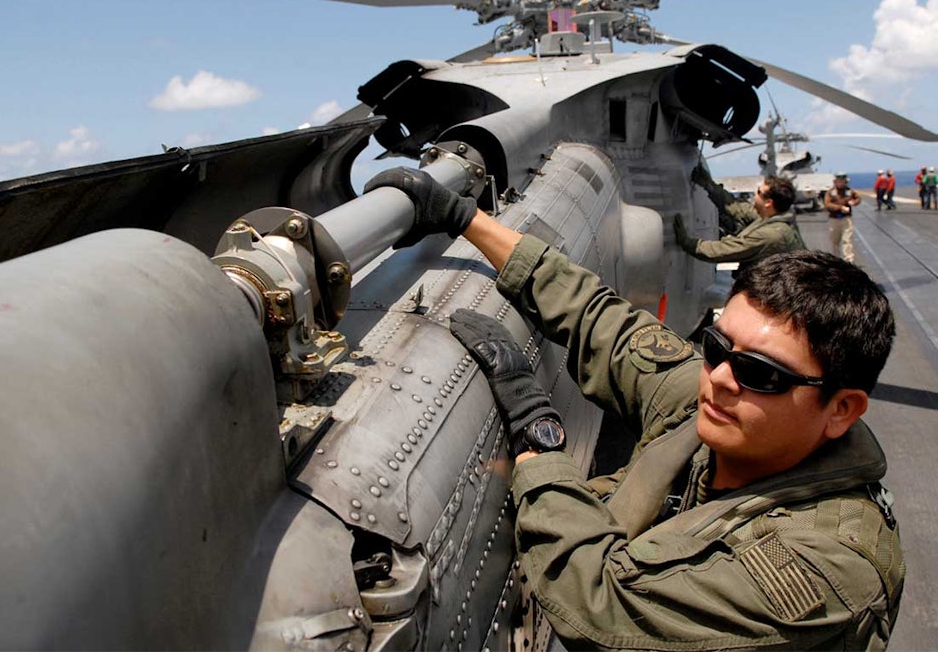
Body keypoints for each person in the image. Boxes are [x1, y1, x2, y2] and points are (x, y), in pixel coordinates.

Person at [364, 165, 903, 650]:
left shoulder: (822, 566)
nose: (719, 380)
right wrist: (464, 218)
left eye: (761, 373)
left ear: (842, 408)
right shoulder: (719, 404)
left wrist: (540, 439)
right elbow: (600, 319)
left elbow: (600, 605)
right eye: (716, 347)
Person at [674, 173, 805, 268]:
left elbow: (723, 250)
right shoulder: (773, 218)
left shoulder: (771, 235)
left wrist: (688, 243)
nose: (755, 193)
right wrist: (710, 186)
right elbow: (738, 208)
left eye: (759, 192)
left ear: (768, 203)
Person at [824, 172, 861, 263]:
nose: (841, 183)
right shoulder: (831, 193)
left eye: (842, 181)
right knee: (835, 240)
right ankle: (836, 260)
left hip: (846, 218)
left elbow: (858, 198)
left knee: (847, 240)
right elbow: (827, 204)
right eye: (839, 181)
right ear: (835, 182)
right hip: (834, 219)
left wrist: (854, 202)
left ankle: (848, 261)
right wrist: (840, 208)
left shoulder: (849, 191)